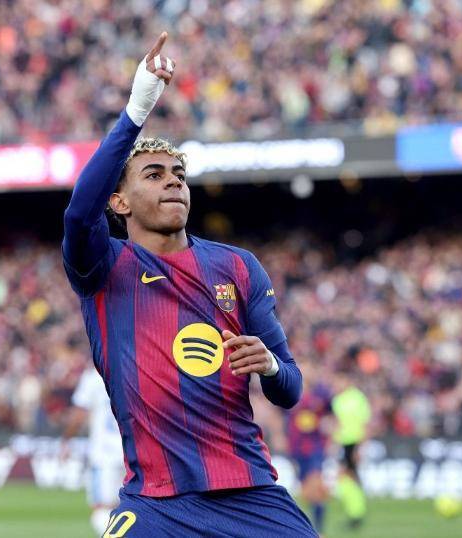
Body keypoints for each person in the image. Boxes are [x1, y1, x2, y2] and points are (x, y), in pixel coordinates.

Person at [61, 32, 316, 538]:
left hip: (250, 495)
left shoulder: (238, 267)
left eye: (179, 174)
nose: (174, 181)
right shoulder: (105, 266)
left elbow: (290, 388)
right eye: (153, 175)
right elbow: (78, 214)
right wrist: (137, 109)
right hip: (156, 503)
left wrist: (268, 363)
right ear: (120, 202)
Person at [61, 367, 125, 536]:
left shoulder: (93, 377)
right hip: (131, 453)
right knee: (131, 509)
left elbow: (78, 415)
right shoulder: (131, 370)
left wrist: (66, 440)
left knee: (101, 510)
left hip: (104, 455)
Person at [287, 361, 333, 536]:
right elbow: (286, 419)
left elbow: (331, 417)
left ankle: (318, 530)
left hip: (315, 448)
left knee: (315, 487)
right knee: (306, 491)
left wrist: (330, 436)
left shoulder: (322, 395)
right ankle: (310, 528)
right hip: (297, 449)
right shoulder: (290, 392)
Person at [331, 369, 371, 528]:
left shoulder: (358, 398)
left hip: (354, 443)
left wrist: (360, 448)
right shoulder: (337, 400)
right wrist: (334, 443)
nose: (337, 384)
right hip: (343, 443)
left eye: (340, 381)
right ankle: (354, 513)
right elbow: (338, 424)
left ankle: (357, 514)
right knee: (345, 478)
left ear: (347, 381)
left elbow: (365, 424)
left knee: (349, 478)